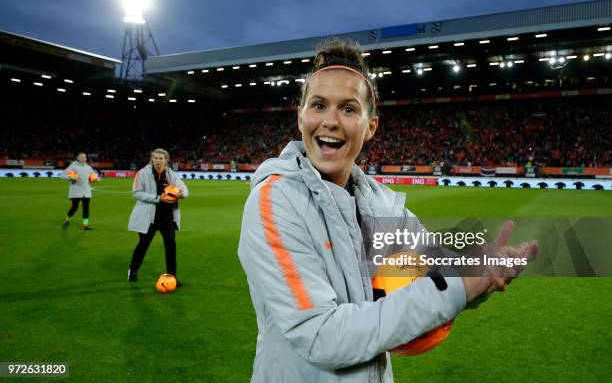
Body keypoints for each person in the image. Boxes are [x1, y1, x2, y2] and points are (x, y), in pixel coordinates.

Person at [237, 40, 538, 382]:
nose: (330, 121)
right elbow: (320, 336)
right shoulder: (274, 201)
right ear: (301, 115)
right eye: (318, 105)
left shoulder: (382, 204)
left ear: (371, 126)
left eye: (348, 109)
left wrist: (480, 273)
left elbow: (437, 279)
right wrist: (460, 285)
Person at [127, 148, 188, 283]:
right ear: (152, 159)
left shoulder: (171, 174)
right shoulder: (143, 173)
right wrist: (158, 198)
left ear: (166, 160)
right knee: (143, 245)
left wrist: (180, 194)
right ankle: (133, 270)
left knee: (171, 245)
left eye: (161, 158)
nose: (158, 161)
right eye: (155, 158)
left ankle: (172, 277)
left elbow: (185, 190)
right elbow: (136, 193)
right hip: (149, 217)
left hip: (167, 217)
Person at [62, 152, 99, 230]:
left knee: (86, 208)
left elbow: (95, 177)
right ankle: (67, 220)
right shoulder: (73, 166)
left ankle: (85, 225)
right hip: (76, 190)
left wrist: (96, 179)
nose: (84, 159)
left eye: (85, 157)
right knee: (74, 207)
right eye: (82, 157)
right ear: (77, 158)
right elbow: (62, 175)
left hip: (86, 191)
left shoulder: (88, 167)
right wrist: (71, 178)